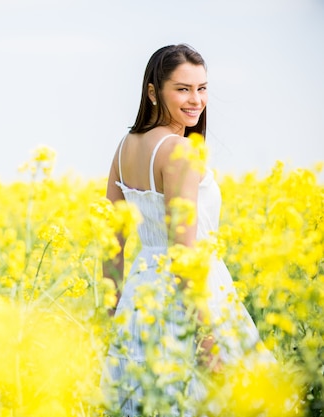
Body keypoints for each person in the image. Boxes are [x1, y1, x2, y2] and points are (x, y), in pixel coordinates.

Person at [100, 44, 274, 416]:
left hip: (139, 297)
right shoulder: (180, 151)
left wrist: (112, 312)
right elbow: (184, 255)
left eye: (202, 88)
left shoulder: (123, 147)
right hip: (192, 297)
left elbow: (112, 240)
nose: (196, 100)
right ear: (152, 91)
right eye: (182, 89)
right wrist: (205, 341)